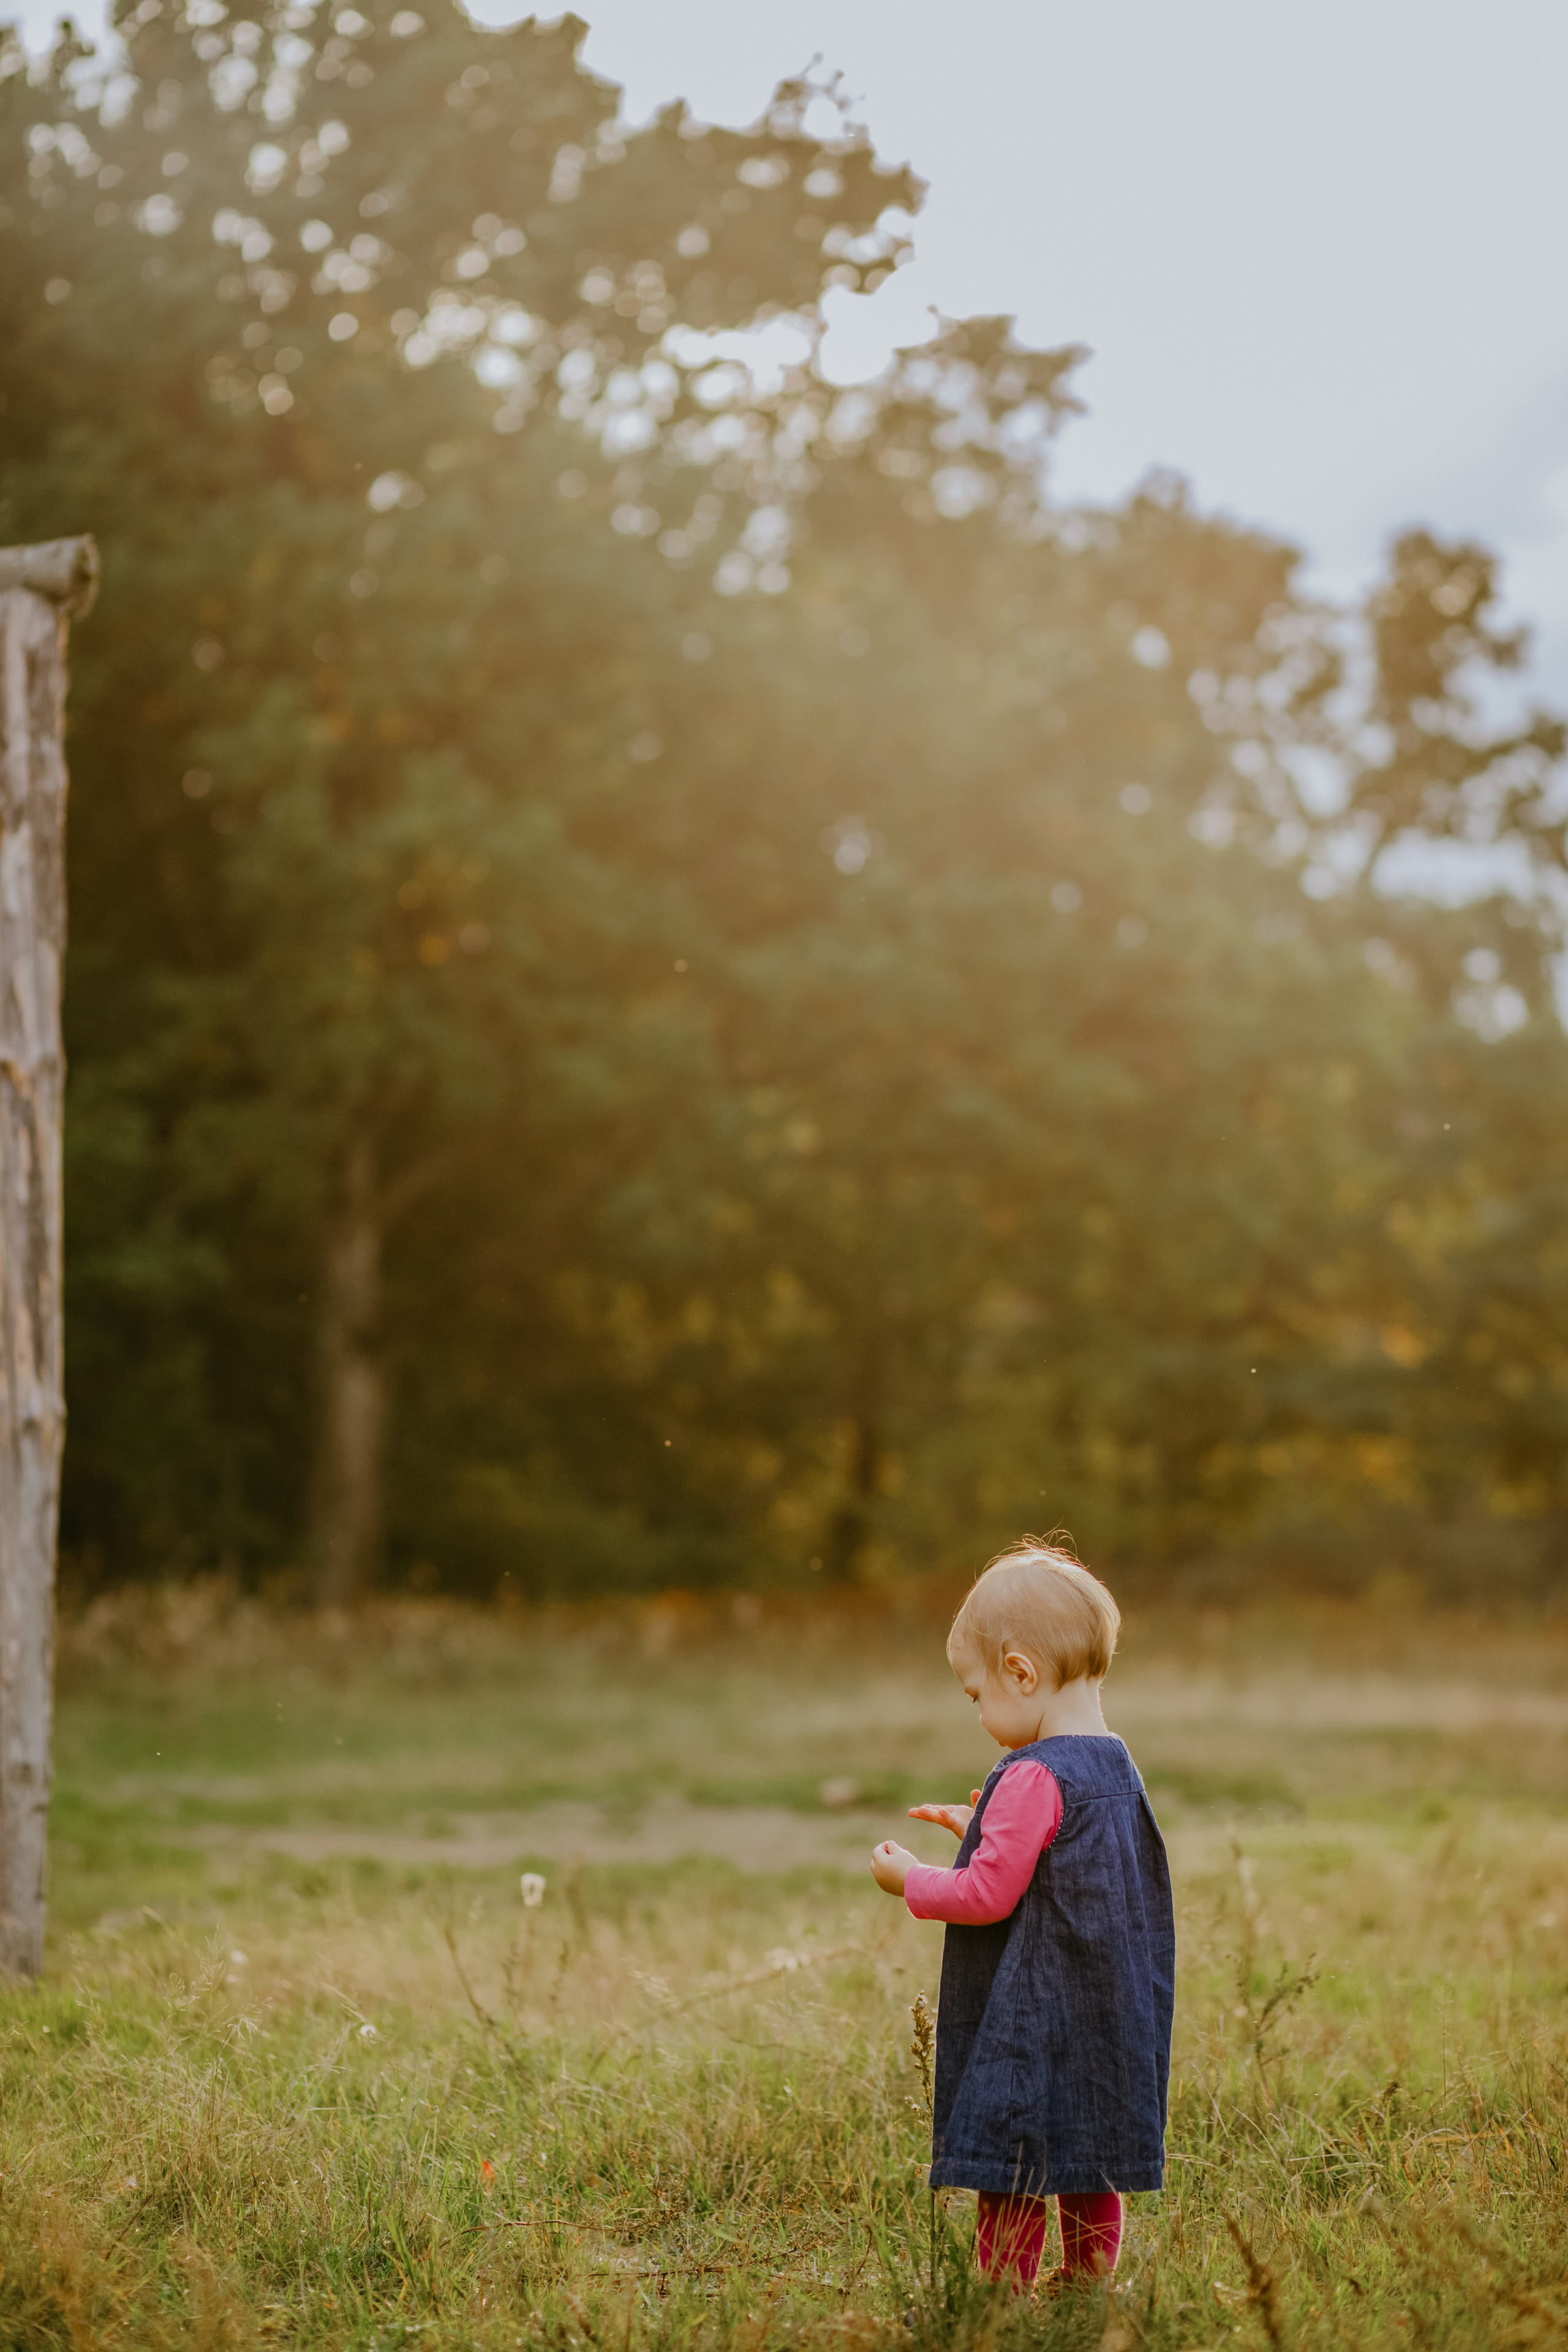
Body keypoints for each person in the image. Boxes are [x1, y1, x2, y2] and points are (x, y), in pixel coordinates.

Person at [870, 1538, 1174, 2293]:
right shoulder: (1118, 1765)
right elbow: (1065, 1857)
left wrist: (911, 1878)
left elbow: (985, 1896)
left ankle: (999, 2297)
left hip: (1036, 2011)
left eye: (976, 1696)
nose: (978, 1715)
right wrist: (980, 1827)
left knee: (1014, 2153)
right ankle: (1086, 2281)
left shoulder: (1035, 1771)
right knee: (1090, 2145)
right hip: (1107, 2008)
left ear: (1019, 1670)